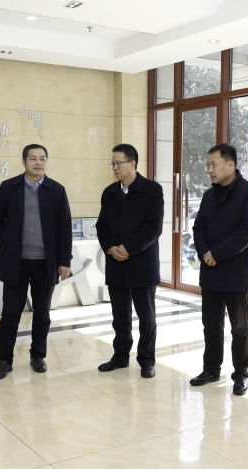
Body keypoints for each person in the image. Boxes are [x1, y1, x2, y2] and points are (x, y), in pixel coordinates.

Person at [0, 144, 72, 380]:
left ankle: (38, 355)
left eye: (42, 158)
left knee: (42, 313)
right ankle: (5, 359)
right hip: (16, 262)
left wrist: (64, 260)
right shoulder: (9, 187)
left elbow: (64, 227)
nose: (38, 162)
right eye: (33, 158)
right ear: (23, 161)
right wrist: (8, 244)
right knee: (10, 313)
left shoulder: (56, 190)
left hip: (46, 263)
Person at [190, 143, 248, 396]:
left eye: (214, 164)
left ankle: (241, 374)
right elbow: (198, 228)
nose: (209, 170)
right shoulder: (209, 195)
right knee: (211, 327)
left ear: (230, 165)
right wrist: (205, 253)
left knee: (239, 328)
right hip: (210, 271)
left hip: (237, 272)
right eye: (208, 165)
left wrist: (217, 253)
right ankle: (211, 369)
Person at [95, 144, 164, 378]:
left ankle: (147, 360)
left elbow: (153, 228)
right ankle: (120, 356)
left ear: (132, 163)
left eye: (118, 163)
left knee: (146, 317)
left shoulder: (152, 190)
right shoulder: (109, 192)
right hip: (116, 263)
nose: (115, 167)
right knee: (120, 317)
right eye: (112, 163)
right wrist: (109, 247)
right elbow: (102, 226)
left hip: (142, 263)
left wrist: (129, 248)